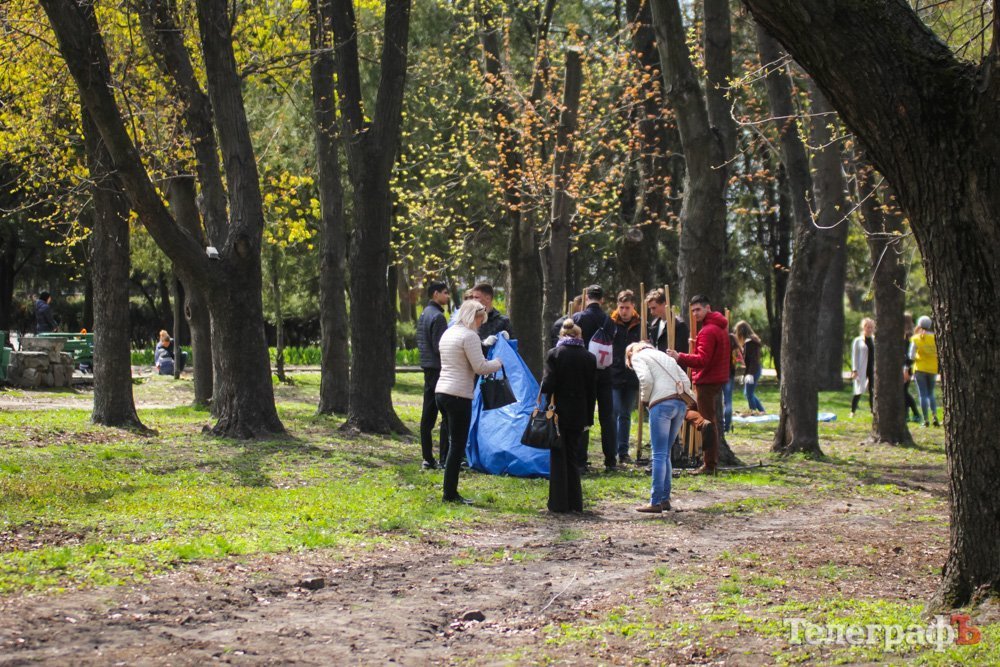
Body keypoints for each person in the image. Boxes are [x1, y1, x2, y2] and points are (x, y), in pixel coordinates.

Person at [436, 300, 503, 503]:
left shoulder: (448, 333)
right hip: (459, 394)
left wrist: (484, 345)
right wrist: (499, 362)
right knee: (457, 446)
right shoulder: (469, 335)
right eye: (481, 320)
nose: (481, 324)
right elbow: (480, 367)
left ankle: (449, 491)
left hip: (442, 391)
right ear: (474, 317)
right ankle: (450, 493)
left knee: (451, 443)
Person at [628, 342, 695, 512]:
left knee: (658, 454)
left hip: (661, 404)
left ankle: (655, 501)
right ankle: (665, 499)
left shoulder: (637, 356)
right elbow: (686, 381)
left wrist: (645, 400)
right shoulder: (665, 357)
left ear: (631, 353)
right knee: (665, 453)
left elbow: (646, 380)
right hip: (680, 404)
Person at [666, 295, 729, 475]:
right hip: (714, 379)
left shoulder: (708, 331)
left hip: (706, 381)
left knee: (707, 421)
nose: (695, 314)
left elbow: (702, 360)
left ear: (708, 308)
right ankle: (704, 430)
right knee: (685, 409)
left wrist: (679, 356)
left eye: (698, 310)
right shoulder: (719, 327)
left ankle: (710, 465)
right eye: (693, 311)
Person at [540, 319, 596, 513]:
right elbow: (592, 391)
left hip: (558, 412)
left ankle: (558, 503)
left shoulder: (555, 354)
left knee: (558, 456)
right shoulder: (589, 357)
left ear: (562, 335)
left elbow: (548, 385)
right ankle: (575, 502)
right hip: (579, 413)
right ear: (579, 336)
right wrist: (589, 417)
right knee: (573, 456)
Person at [572, 285, 618, 471]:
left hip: (584, 373)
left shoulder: (579, 318)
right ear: (602, 299)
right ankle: (610, 460)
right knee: (607, 417)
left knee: (583, 417)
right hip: (605, 372)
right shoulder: (610, 320)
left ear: (586, 298)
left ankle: (581, 461)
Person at [416, 281, 451, 470]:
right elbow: (441, 347)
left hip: (428, 368)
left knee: (427, 415)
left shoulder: (424, 313)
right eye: (445, 293)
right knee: (446, 414)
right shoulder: (438, 317)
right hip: (438, 369)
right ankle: (444, 458)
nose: (448, 296)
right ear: (435, 294)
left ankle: (427, 457)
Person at [610, 290, 642, 464]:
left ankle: (623, 451)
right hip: (614, 374)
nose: (623, 311)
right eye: (621, 307)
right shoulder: (611, 323)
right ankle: (612, 450)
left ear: (633, 307)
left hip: (632, 375)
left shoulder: (640, 325)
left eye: (627, 308)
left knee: (625, 414)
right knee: (614, 411)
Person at [645, 289, 690, 363]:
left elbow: (683, 351)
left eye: (654, 308)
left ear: (664, 304)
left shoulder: (678, 325)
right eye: (650, 309)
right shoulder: (654, 324)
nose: (651, 312)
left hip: (672, 366)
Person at [910, 315, 939, 427]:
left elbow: (911, 356)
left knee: (923, 394)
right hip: (932, 368)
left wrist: (918, 357)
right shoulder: (936, 338)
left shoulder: (916, 338)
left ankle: (926, 420)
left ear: (919, 325)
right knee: (931, 393)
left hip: (920, 368)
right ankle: (935, 416)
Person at [735, 320, 766, 413]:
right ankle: (762, 411)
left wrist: (750, 374)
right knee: (748, 393)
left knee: (749, 394)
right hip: (754, 370)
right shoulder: (750, 342)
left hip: (753, 371)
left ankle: (754, 412)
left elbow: (753, 360)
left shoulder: (750, 343)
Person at [851, 318, 875, 417]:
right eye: (867, 327)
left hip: (872, 368)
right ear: (863, 327)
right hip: (861, 368)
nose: (869, 329)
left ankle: (873, 411)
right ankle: (852, 411)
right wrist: (854, 370)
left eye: (871, 327)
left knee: (873, 390)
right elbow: (854, 356)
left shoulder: (874, 340)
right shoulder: (858, 340)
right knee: (859, 390)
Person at [902, 314, 922, 423]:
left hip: (906, 367)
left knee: (903, 391)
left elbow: (909, 355)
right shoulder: (907, 335)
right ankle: (906, 415)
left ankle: (916, 413)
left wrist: (906, 369)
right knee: (903, 391)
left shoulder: (908, 336)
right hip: (905, 366)